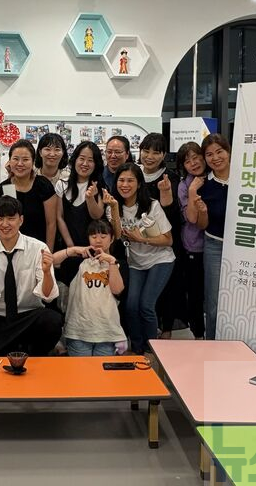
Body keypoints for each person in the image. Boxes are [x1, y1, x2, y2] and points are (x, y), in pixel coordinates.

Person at [0, 196, 62, 356]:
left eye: (11, 218)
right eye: (0, 219)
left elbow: (48, 296)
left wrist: (46, 273)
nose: (5, 224)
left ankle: (37, 355)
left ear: (21, 220)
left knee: (52, 320)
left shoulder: (38, 248)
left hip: (29, 316)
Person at [105, 163, 175, 355]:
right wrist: (114, 207)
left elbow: (168, 240)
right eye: (121, 180)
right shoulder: (113, 206)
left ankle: (152, 351)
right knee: (131, 306)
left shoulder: (152, 205)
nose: (125, 185)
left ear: (139, 184)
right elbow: (116, 235)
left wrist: (142, 239)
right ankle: (137, 349)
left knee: (146, 305)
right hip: (136, 262)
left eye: (130, 180)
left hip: (160, 259)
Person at [53, 220, 126, 356]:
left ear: (111, 239)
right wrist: (73, 250)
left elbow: (117, 290)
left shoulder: (118, 263)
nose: (98, 240)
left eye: (103, 236)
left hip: (107, 332)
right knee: (80, 370)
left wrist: (111, 261)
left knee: (102, 370)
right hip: (78, 332)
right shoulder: (78, 263)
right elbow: (50, 262)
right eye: (93, 236)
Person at [186, 133, 231, 340]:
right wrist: (203, 212)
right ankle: (212, 344)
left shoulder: (247, 179)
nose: (215, 158)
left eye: (219, 152)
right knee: (213, 303)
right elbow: (201, 224)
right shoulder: (204, 185)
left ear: (229, 152)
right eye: (209, 154)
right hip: (215, 246)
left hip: (244, 246)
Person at [137, 133, 182, 338]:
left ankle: (166, 330)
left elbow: (173, 216)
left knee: (167, 290)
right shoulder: (134, 174)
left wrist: (166, 197)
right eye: (146, 151)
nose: (150, 156)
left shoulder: (170, 178)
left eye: (156, 152)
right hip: (138, 246)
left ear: (163, 155)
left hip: (164, 244)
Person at [55, 141, 105, 282]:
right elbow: (59, 217)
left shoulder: (99, 186)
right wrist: (72, 247)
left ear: (96, 164)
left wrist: (90, 198)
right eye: (81, 158)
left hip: (93, 250)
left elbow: (97, 216)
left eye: (90, 160)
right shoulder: (62, 184)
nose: (85, 164)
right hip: (68, 248)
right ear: (75, 159)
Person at [172, 142, 207, 339]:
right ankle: (199, 335)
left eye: (196, 157)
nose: (193, 163)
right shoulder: (185, 186)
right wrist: (193, 191)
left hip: (220, 244)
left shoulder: (214, 177)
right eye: (187, 161)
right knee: (195, 293)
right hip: (194, 246)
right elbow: (192, 218)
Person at [0, 139, 57, 251]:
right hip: (13, 248)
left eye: (25, 159)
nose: (20, 164)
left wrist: (48, 252)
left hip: (39, 248)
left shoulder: (43, 185)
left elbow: (51, 224)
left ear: (33, 161)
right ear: (9, 161)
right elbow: (5, 222)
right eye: (15, 159)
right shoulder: (5, 187)